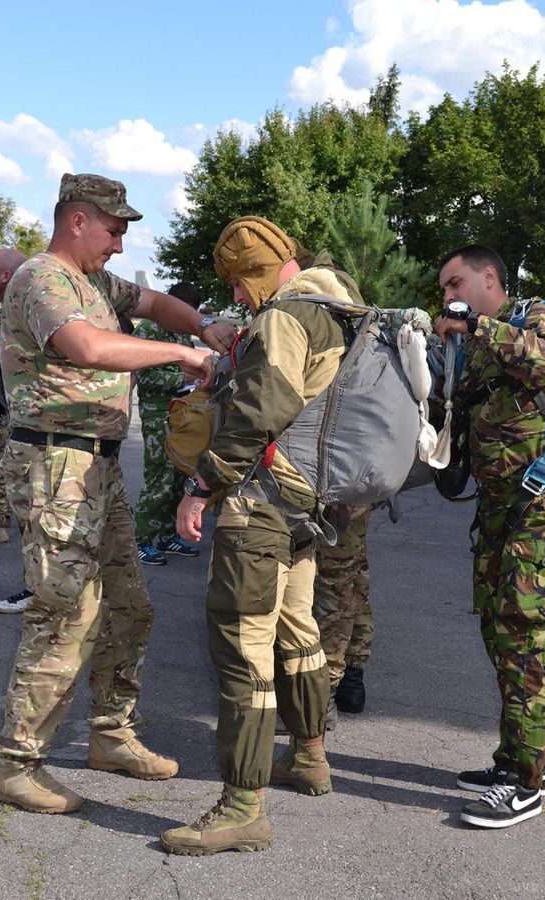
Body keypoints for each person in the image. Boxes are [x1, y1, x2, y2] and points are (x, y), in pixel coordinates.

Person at [0, 172, 235, 815]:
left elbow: (155, 304)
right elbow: (86, 345)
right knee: (63, 613)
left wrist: (204, 324)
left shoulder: (96, 281)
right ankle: (19, 763)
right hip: (54, 467)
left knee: (129, 607)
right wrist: (178, 357)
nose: (119, 245)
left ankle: (110, 734)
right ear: (78, 221)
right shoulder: (41, 278)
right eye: (114, 230)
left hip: (96, 469)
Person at [160, 215, 363, 856]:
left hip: (263, 503)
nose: (241, 298)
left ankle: (242, 807)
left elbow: (261, 408)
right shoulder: (344, 305)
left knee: (242, 645)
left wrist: (202, 487)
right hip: (313, 502)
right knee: (298, 630)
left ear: (264, 270)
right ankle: (310, 757)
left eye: (242, 284)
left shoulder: (285, 316)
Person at [434, 244, 545, 829]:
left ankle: (526, 786)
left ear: (488, 277)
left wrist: (476, 326)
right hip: (497, 511)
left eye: (455, 283)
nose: (448, 295)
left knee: (529, 636)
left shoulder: (539, 319)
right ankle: (520, 761)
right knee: (501, 634)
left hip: (538, 505)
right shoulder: (477, 342)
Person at [133, 281, 204, 565]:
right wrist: (183, 379)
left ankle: (165, 535)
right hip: (157, 415)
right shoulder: (149, 331)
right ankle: (140, 539)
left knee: (177, 481)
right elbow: (144, 377)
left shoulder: (181, 334)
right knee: (159, 481)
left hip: (178, 415)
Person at [0, 249, 34, 615]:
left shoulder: (24, 309)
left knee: (36, 518)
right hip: (23, 427)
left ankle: (39, 592)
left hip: (33, 432)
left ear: (5, 276)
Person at [313, 505, 373, 728]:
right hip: (359, 491)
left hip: (339, 494)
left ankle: (324, 692)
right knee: (353, 575)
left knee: (333, 587)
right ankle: (351, 681)